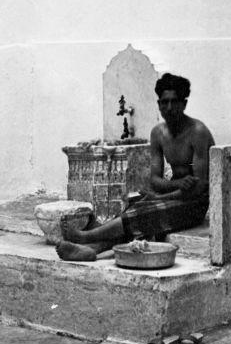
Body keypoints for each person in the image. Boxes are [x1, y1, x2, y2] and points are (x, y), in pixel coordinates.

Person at [57, 73, 215, 261]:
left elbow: (199, 188)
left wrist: (161, 195)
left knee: (147, 211)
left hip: (194, 204)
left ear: (184, 104)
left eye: (175, 102)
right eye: (164, 102)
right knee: (135, 204)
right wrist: (171, 188)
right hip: (175, 193)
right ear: (159, 105)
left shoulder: (198, 132)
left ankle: (86, 237)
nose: (169, 108)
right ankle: (94, 250)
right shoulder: (158, 133)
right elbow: (155, 180)